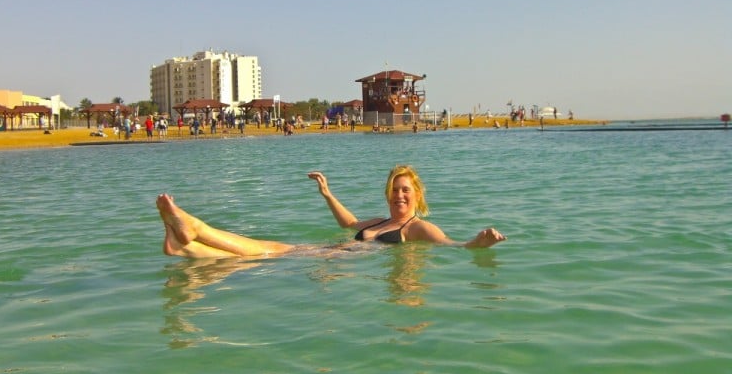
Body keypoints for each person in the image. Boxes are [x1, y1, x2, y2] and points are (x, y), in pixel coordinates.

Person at [157, 165, 506, 259]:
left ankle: (195, 227)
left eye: (405, 191)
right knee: (252, 255)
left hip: (336, 261)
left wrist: (480, 241)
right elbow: (350, 223)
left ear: (416, 196)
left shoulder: (417, 228)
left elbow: (453, 246)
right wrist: (327, 193)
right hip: (330, 253)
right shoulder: (381, 222)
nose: (399, 195)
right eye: (395, 190)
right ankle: (186, 245)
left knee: (266, 249)